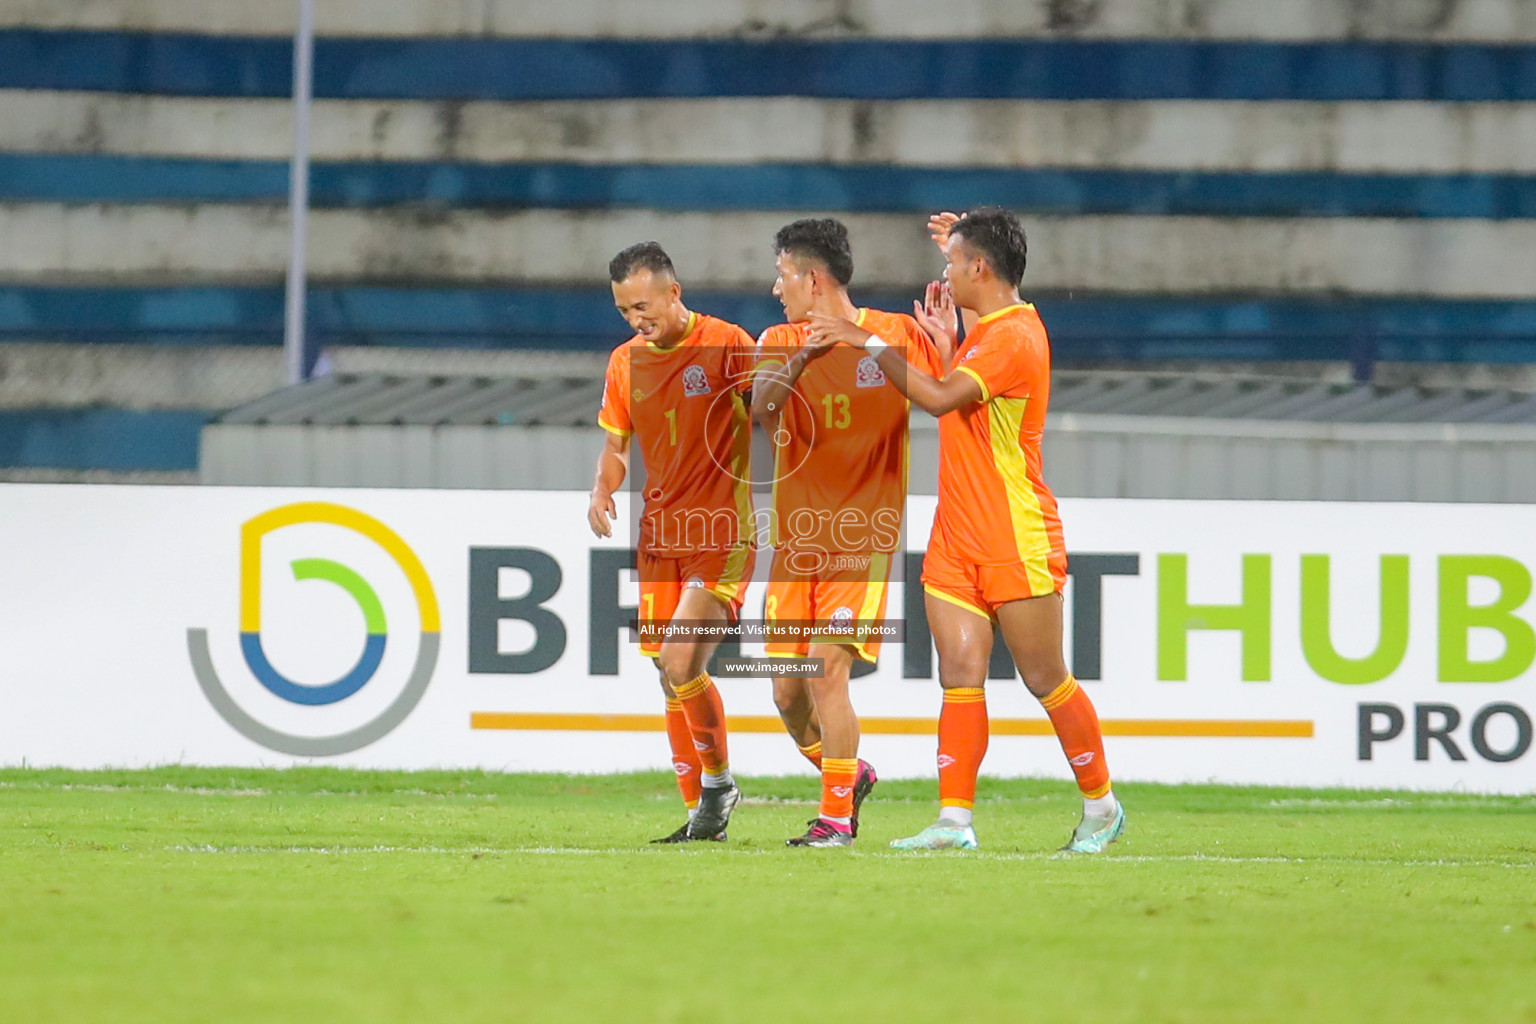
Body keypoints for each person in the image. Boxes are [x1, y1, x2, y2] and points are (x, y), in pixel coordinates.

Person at [805, 208, 1126, 854]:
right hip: (957, 530)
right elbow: (967, 398)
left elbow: (941, 398)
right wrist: (949, 344)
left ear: (980, 268)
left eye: (953, 263)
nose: (946, 275)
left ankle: (1102, 808)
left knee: (1045, 678)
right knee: (959, 672)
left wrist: (862, 338)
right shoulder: (990, 332)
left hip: (1013, 532)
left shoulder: (1015, 336)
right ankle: (954, 821)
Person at [752, 218, 946, 847]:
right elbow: (760, 409)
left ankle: (834, 818)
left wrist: (939, 342)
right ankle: (848, 775)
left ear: (813, 278)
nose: (776, 288)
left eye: (783, 276)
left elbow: (946, 390)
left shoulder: (892, 333)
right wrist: (807, 354)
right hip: (796, 544)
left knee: (823, 672)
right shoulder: (778, 338)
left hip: (862, 538)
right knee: (787, 695)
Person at [589, 241, 756, 843]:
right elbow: (615, 447)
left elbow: (775, 412)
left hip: (720, 530)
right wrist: (602, 489)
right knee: (669, 674)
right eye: (625, 311)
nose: (636, 319)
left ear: (673, 291)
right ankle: (701, 816)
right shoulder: (625, 362)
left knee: (681, 660)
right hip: (660, 537)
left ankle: (718, 787)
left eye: (643, 305)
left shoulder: (726, 342)